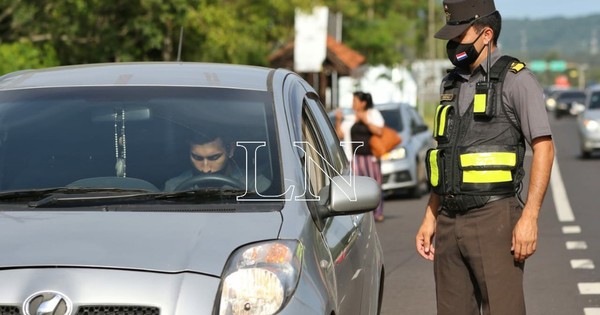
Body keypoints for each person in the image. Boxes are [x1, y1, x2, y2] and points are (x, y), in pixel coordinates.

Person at [415, 0, 555, 314]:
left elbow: (544, 147)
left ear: (486, 34)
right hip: (449, 221)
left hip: (494, 219)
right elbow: (446, 156)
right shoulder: (449, 84)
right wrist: (430, 215)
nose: (453, 45)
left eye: (459, 35)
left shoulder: (516, 79)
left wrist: (529, 218)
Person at [335, 91, 385, 222]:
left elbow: (379, 131)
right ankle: (361, 214)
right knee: (357, 186)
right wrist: (339, 120)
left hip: (370, 157)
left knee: (374, 184)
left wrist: (365, 120)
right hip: (355, 157)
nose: (353, 104)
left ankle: (377, 212)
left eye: (355, 101)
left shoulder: (373, 114)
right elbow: (339, 135)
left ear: (363, 103)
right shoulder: (350, 118)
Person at [164, 131, 269, 192]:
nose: (205, 169)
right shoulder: (174, 187)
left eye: (214, 158)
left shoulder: (256, 186)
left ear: (231, 150)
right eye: (197, 157)